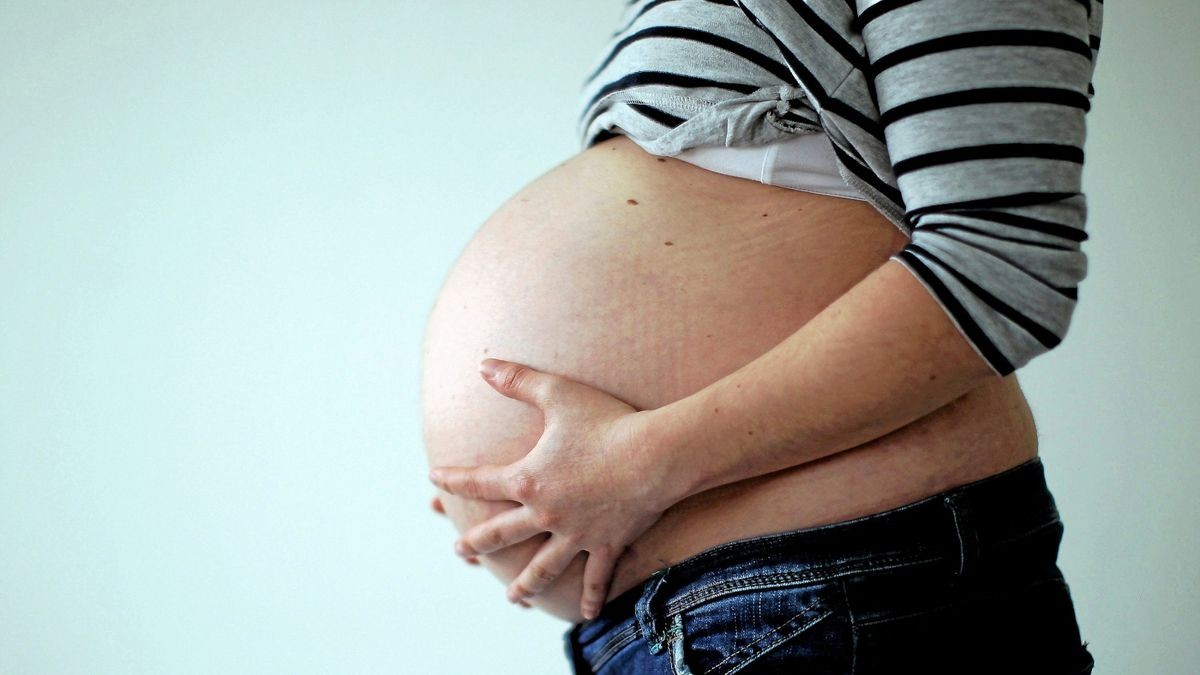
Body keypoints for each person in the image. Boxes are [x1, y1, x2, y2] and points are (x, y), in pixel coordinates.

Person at [426, 0, 1103, 672]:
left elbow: (1003, 260)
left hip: (836, 588)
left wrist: (637, 465)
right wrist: (515, 483)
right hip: (711, 614)